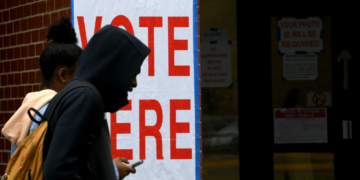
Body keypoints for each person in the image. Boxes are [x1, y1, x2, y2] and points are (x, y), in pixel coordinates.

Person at [1, 17, 136, 180]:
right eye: (79, 75)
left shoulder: (30, 109)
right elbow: (60, 170)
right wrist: (113, 171)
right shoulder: (72, 103)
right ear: (63, 75)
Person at [42, 24, 150, 180]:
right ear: (116, 66)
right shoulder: (85, 98)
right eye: (133, 73)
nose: (134, 83)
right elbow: (59, 172)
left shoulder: (79, 94)